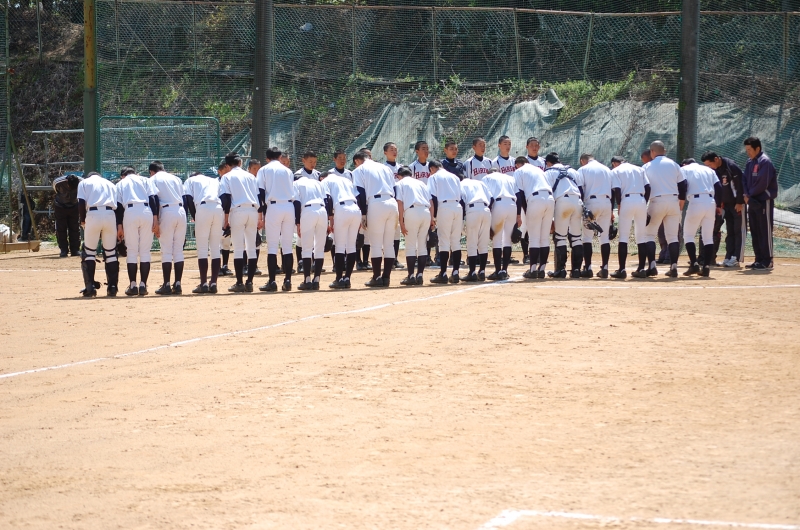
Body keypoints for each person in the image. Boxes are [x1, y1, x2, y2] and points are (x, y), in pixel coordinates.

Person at [636, 141, 687, 278]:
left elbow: (645, 187)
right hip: (673, 201)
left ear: (652, 152)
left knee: (649, 235)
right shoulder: (674, 164)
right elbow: (683, 185)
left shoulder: (647, 166)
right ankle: (674, 267)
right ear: (664, 150)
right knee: (673, 236)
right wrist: (681, 203)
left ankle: (652, 266)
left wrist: (643, 205)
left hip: (656, 201)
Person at [353, 150, 399, 287]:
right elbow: (395, 189)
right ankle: (386, 277)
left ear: (357, 161)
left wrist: (363, 214)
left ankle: (377, 277)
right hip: (392, 202)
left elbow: (360, 193)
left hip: (376, 203)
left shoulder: (359, 169)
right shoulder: (385, 168)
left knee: (376, 244)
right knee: (389, 244)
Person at [258, 146, 297, 292]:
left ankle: (272, 282)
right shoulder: (288, 171)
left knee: (272, 247)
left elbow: (260, 192)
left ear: (267, 158)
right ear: (280, 157)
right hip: (289, 206)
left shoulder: (264, 170)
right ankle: (288, 281)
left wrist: (264, 212)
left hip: (274, 206)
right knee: (287, 246)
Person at [220, 152, 261, 292]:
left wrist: (226, 219)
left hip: (237, 211)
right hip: (253, 210)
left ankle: (239, 283)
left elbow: (225, 199)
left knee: (238, 248)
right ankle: (249, 282)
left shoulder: (226, 177)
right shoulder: (251, 176)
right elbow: (258, 196)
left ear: (227, 165)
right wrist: (260, 217)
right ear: (240, 163)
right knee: (251, 248)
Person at [115, 166, 157, 296]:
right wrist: (155, 219)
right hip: (146, 211)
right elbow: (153, 199)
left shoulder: (121, 183)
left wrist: (119, 226)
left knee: (132, 251)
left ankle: (133, 286)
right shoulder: (145, 180)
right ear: (135, 173)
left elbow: (118, 207)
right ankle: (143, 285)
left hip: (130, 212)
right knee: (145, 251)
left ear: (123, 175)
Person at [77, 172, 120, 297]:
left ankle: (90, 287)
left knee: (89, 252)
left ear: (89, 176)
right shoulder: (110, 184)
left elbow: (81, 202)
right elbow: (118, 205)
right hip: (110, 214)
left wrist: (82, 220)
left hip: (93, 214)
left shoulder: (84, 182)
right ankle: (112, 287)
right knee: (111, 253)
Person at [701, 151, 746, 267]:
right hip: (726, 205)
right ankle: (729, 256)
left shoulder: (731, 166)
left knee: (738, 230)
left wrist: (740, 201)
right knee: (730, 231)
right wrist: (720, 203)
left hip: (737, 204)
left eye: (710, 164)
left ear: (716, 159)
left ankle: (736, 257)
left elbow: (740, 184)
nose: (709, 167)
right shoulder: (715, 170)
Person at [544, 153, 584, 278]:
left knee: (560, 237)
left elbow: (548, 194)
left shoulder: (548, 172)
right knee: (576, 238)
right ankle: (576, 270)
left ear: (548, 163)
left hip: (562, 201)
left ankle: (560, 270)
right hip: (577, 201)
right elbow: (581, 190)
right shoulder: (573, 170)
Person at [609, 156, 650, 279]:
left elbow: (617, 190)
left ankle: (622, 270)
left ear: (614, 163)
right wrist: (644, 202)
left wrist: (619, 205)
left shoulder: (616, 170)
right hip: (641, 200)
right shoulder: (639, 169)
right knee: (641, 237)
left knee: (623, 237)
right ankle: (641, 269)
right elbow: (648, 187)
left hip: (626, 200)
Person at [149, 161, 187, 295]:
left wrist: (156, 220)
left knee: (166, 251)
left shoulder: (153, 179)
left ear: (151, 172)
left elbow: (154, 199)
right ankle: (178, 284)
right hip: (181, 211)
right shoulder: (176, 178)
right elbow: (184, 198)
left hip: (166, 212)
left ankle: (166, 285)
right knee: (178, 251)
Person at [680, 158, 722, 277]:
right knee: (707, 237)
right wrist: (718, 205)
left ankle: (694, 264)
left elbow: (682, 186)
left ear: (685, 164)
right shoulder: (708, 170)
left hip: (696, 201)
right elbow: (719, 187)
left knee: (688, 235)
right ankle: (706, 267)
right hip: (710, 202)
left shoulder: (684, 169)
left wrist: (681, 201)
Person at [184, 169, 223, 294]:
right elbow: (224, 197)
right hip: (218, 208)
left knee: (202, 249)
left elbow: (188, 199)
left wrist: (195, 216)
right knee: (215, 248)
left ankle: (204, 283)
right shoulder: (214, 180)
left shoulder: (190, 180)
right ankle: (214, 283)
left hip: (203, 208)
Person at [514, 156, 553, 279]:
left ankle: (533, 270)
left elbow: (520, 194)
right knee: (544, 238)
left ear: (518, 165)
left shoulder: (519, 171)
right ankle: (542, 269)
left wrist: (525, 212)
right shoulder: (539, 170)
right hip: (550, 199)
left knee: (534, 239)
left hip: (535, 199)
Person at [742, 136, 778, 270]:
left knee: (764, 230)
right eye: (746, 150)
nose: (748, 152)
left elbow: (762, 183)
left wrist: (749, 195)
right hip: (751, 200)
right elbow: (744, 179)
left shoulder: (765, 162)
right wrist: (746, 194)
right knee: (755, 230)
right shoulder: (749, 162)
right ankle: (759, 259)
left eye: (749, 150)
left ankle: (767, 260)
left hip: (763, 200)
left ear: (757, 148)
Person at [396, 166, 435, 285]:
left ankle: (411, 276)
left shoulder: (400, 183)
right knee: (422, 245)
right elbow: (431, 202)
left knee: (411, 246)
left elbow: (400, 203)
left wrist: (401, 222)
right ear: (411, 174)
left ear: (399, 176)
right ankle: (420, 275)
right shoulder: (421, 183)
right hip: (425, 211)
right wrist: (432, 219)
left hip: (412, 212)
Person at [322, 170, 361, 289]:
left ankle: (339, 279)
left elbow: (328, 199)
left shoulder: (325, 181)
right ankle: (347, 278)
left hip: (341, 209)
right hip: (355, 209)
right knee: (351, 246)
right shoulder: (346, 180)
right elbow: (358, 196)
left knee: (339, 247)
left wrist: (330, 218)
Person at [577, 153, 615, 278]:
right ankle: (605, 268)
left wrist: (582, 206)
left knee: (587, 237)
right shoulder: (607, 169)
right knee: (604, 238)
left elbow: (580, 189)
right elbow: (613, 190)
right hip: (607, 202)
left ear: (583, 161)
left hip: (591, 202)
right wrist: (611, 210)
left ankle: (588, 268)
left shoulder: (583, 169)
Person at [294, 168, 331, 291]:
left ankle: (307, 280)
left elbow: (297, 203)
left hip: (308, 211)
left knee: (306, 248)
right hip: (322, 211)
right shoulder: (317, 182)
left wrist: (298, 223)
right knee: (319, 248)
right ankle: (317, 280)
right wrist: (328, 221)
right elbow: (327, 200)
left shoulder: (296, 183)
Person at [427, 160, 463, 284]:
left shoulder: (433, 177)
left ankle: (443, 273)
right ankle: (456, 272)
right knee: (456, 242)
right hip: (457, 207)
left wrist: (433, 216)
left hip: (444, 207)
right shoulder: (454, 177)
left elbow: (433, 197)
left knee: (444, 242)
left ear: (432, 168)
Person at [483, 167, 519, 280]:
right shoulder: (510, 178)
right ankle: (504, 270)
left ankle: (498, 271)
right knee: (507, 240)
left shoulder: (487, 177)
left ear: (489, 172)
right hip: (512, 205)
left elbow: (488, 198)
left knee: (497, 240)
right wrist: (518, 215)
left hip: (498, 205)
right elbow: (519, 196)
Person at [460, 176, 492, 281]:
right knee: (483, 245)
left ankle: (472, 272)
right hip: (486, 210)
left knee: (472, 244)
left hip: (472, 210)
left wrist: (462, 218)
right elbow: (491, 199)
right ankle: (482, 271)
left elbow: (461, 201)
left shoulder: (461, 184)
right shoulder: (480, 183)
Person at [293, 151, 320, 273]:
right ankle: (301, 263)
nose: (313, 164)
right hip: (303, 209)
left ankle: (313, 262)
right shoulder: (297, 175)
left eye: (314, 162)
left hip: (315, 209)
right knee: (301, 238)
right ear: (303, 161)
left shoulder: (317, 174)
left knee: (314, 238)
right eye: (310, 161)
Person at [52, 173, 82, 257]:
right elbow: (56, 190)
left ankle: (75, 250)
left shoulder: (82, 182)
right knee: (61, 229)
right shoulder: (58, 182)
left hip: (75, 206)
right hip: (60, 206)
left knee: (75, 228)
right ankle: (63, 250)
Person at [244, 158, 263, 277]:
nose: (256, 171)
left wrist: (261, 217)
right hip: (248, 211)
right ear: (249, 169)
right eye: (254, 169)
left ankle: (254, 265)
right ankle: (244, 265)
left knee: (257, 240)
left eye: (258, 169)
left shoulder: (260, 181)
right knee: (245, 239)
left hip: (257, 212)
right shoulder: (246, 180)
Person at [216, 160, 235, 277]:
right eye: (225, 171)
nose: (228, 173)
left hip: (229, 213)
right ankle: (217, 267)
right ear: (219, 171)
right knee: (217, 240)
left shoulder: (230, 181)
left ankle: (225, 265)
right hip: (218, 212)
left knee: (226, 241)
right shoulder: (215, 182)